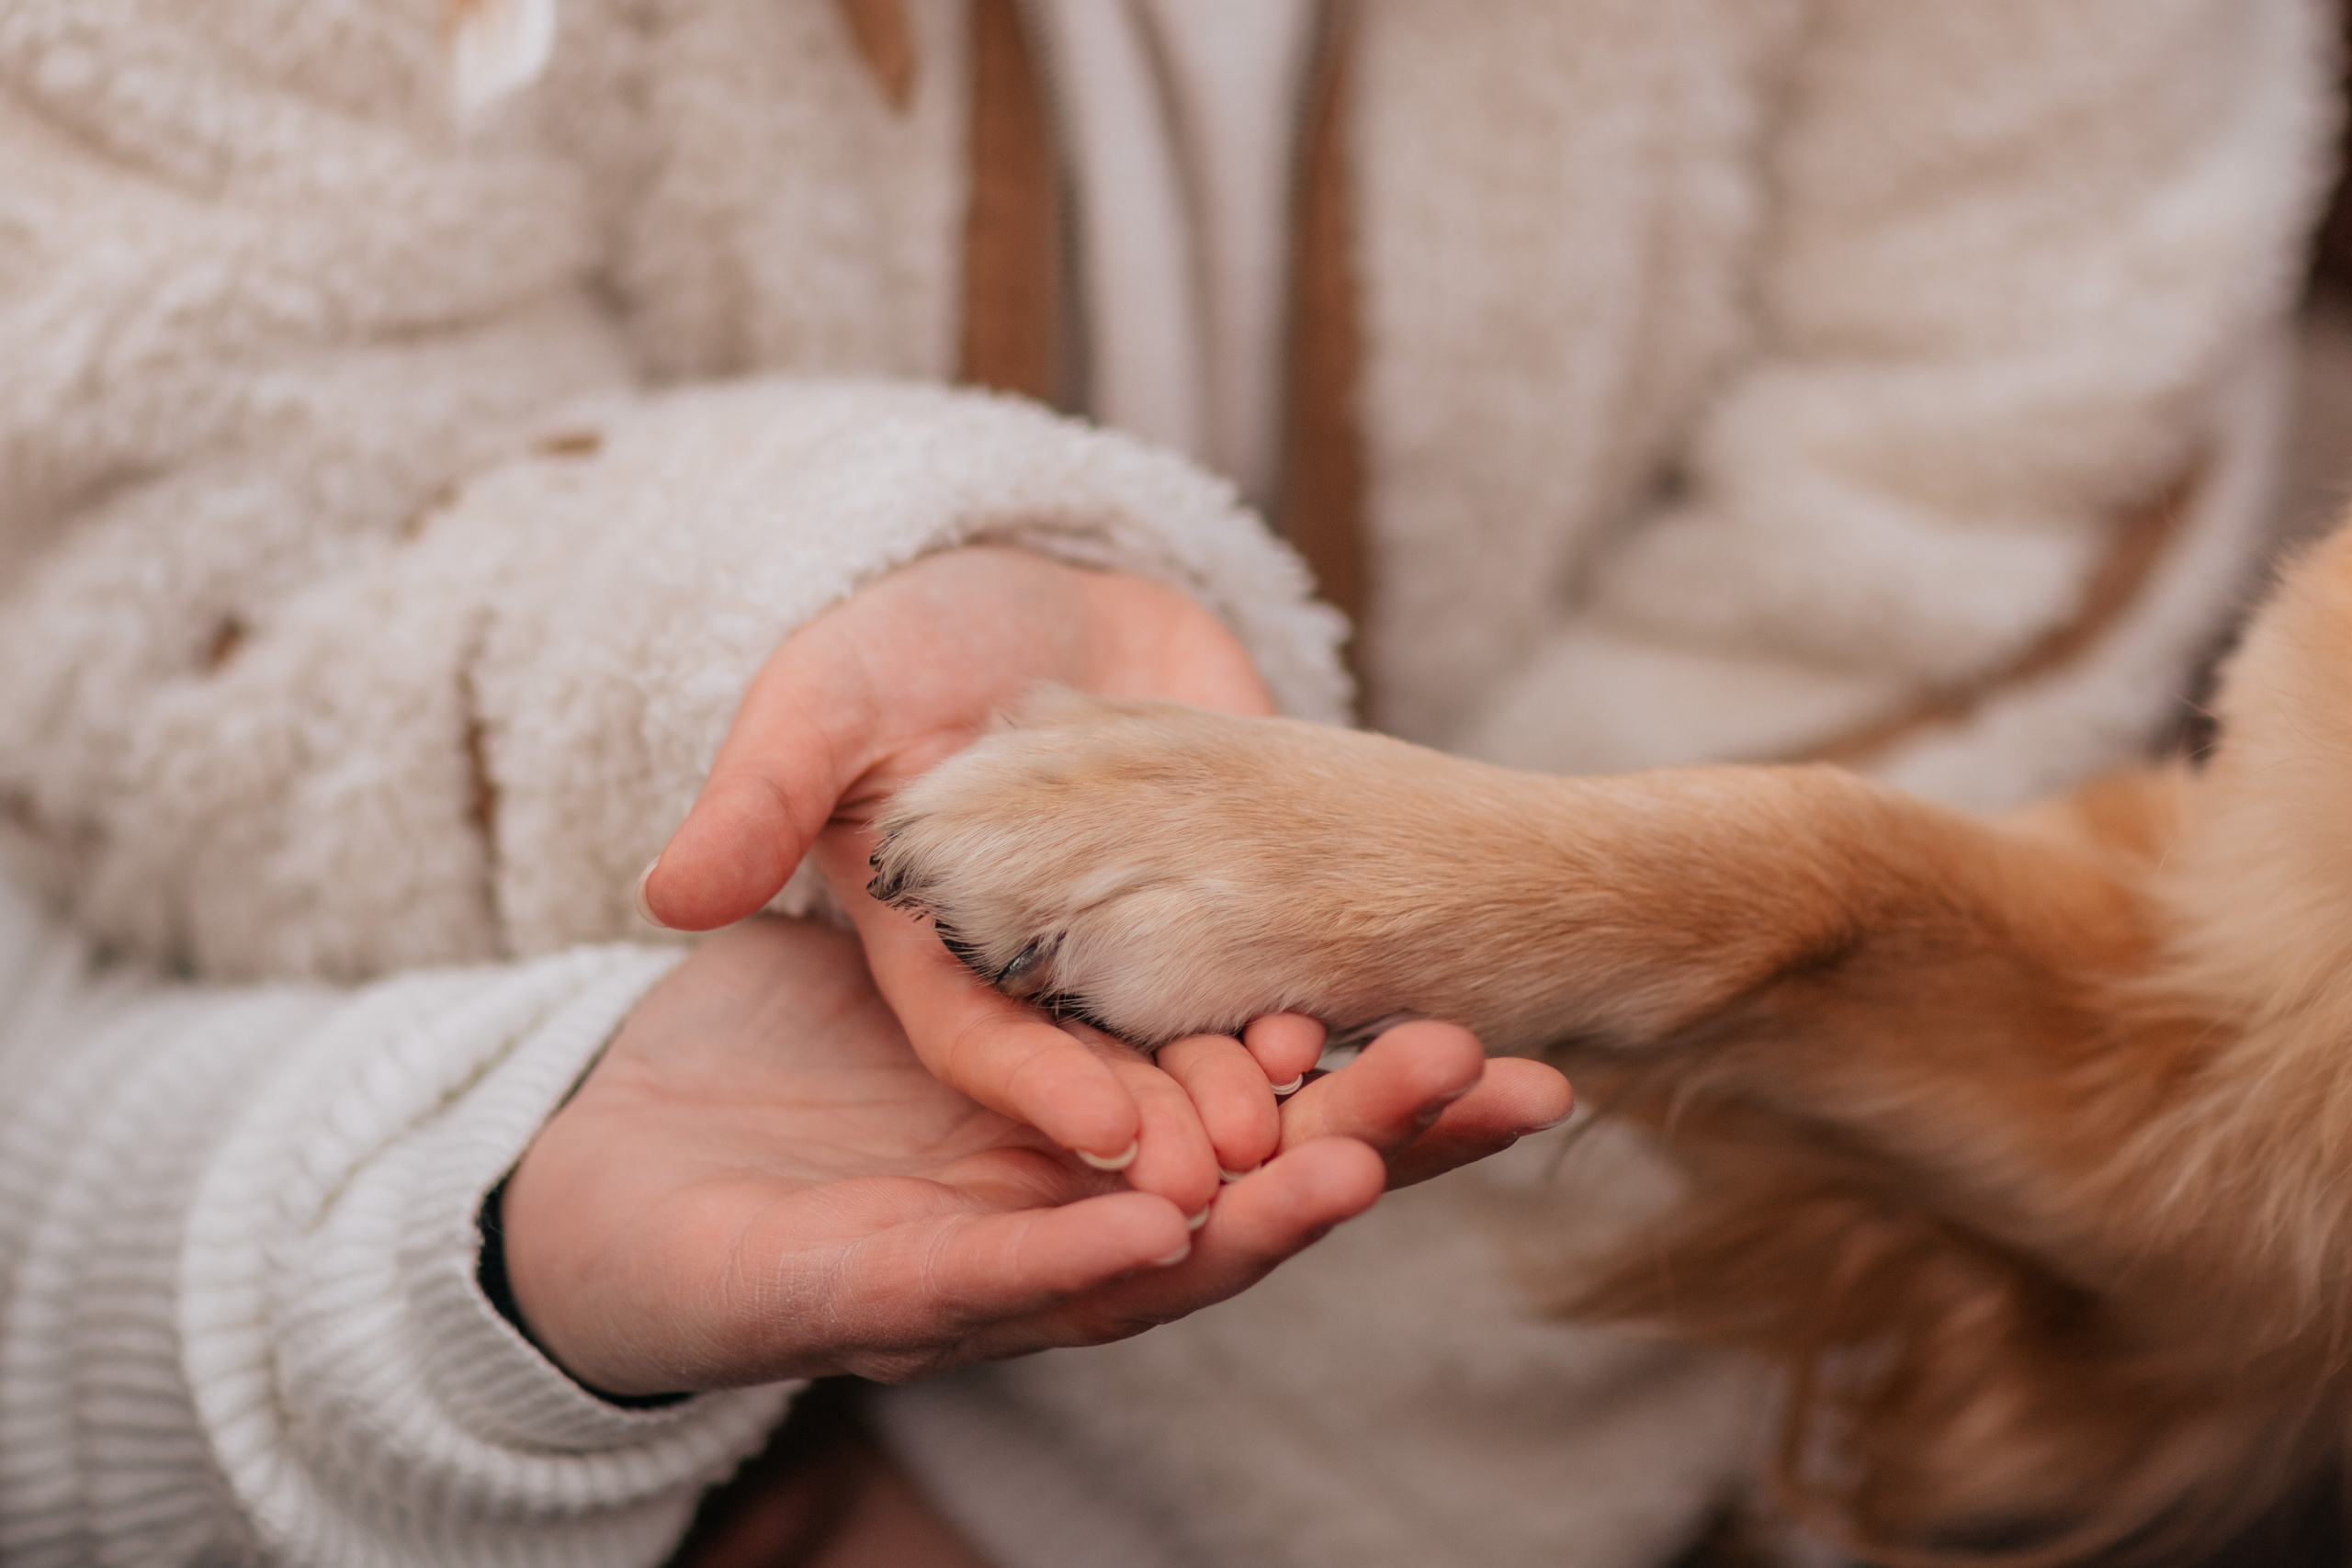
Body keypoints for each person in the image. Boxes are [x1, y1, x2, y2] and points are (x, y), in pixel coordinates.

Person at [0, 0, 2332, 1563]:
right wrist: (831, 613)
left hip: (1547, 1458)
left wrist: (1123, 1481)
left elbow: (1960, 598)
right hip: (523, 1303)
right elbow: (183, 625)